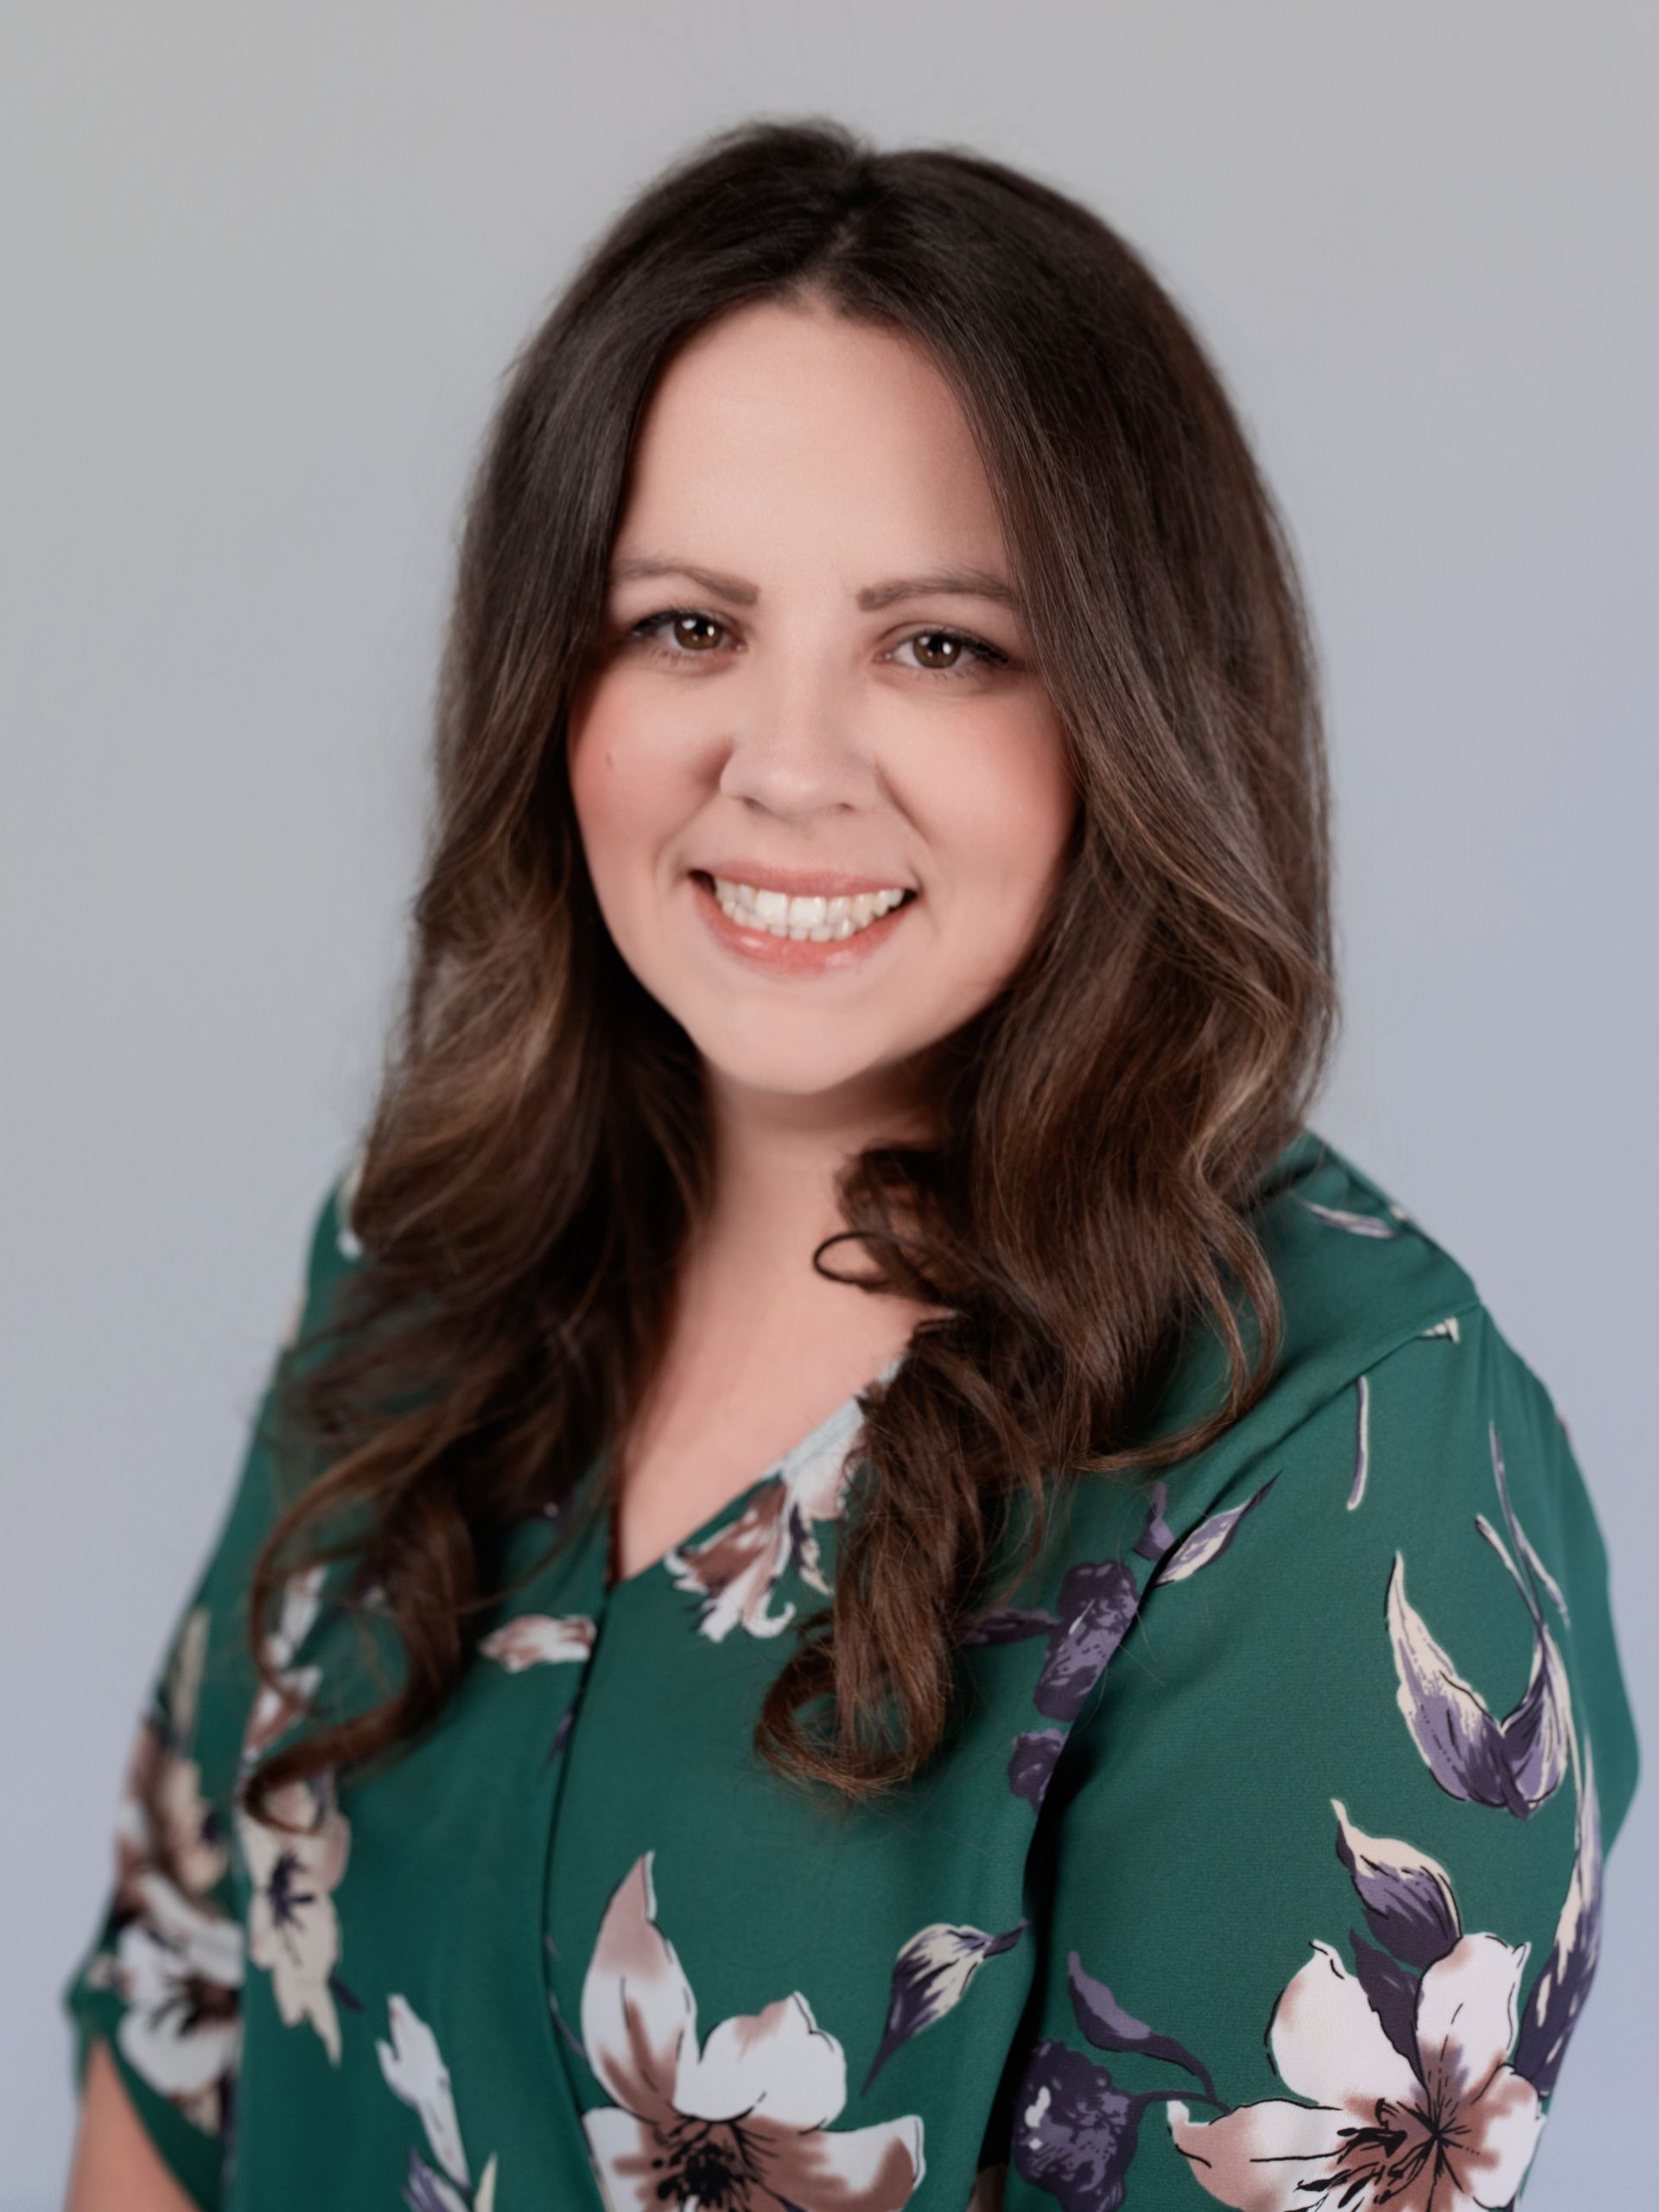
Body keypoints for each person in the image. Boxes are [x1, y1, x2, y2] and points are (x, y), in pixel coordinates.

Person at [61, 117, 1638, 2212]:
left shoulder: (1347, 1467)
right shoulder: (417, 1242)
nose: (784, 765)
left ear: (1138, 712)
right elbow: (181, 2049)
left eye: (942, 643)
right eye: (688, 624)